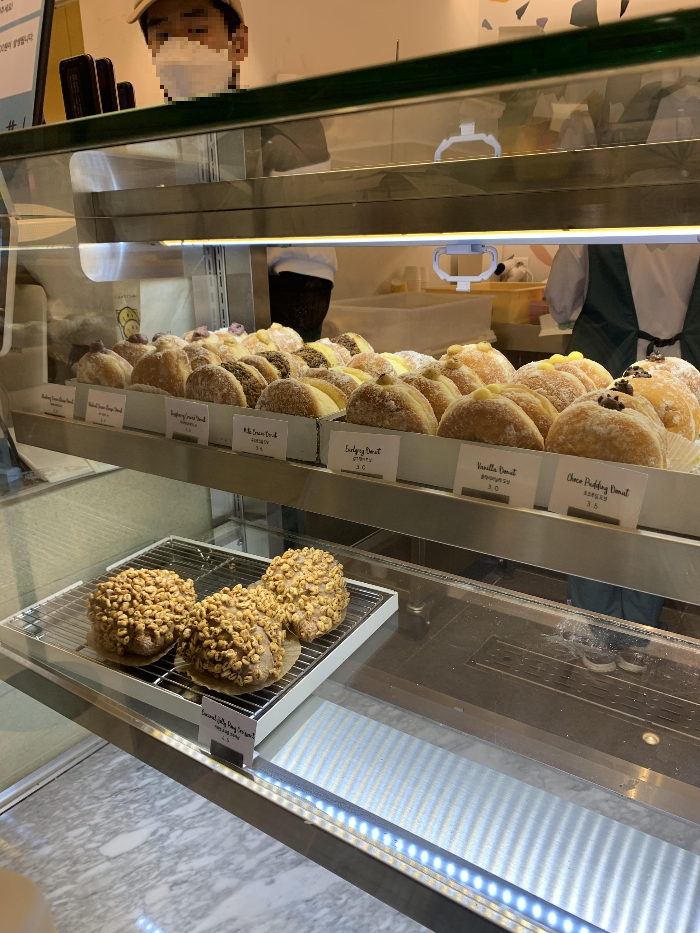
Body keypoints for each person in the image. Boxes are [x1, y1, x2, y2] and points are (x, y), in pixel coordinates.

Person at [129, 0, 337, 341]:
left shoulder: (285, 133)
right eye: (163, 36)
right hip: (166, 344)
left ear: (238, 42)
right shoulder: (141, 146)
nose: (178, 50)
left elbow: (306, 277)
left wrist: (261, 349)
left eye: (197, 30)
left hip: (260, 347)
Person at [545, 241, 700, 671]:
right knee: (660, 510)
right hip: (683, 392)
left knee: (592, 502)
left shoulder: (594, 229)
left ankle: (595, 630)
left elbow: (560, 303)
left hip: (606, 378)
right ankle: (639, 634)